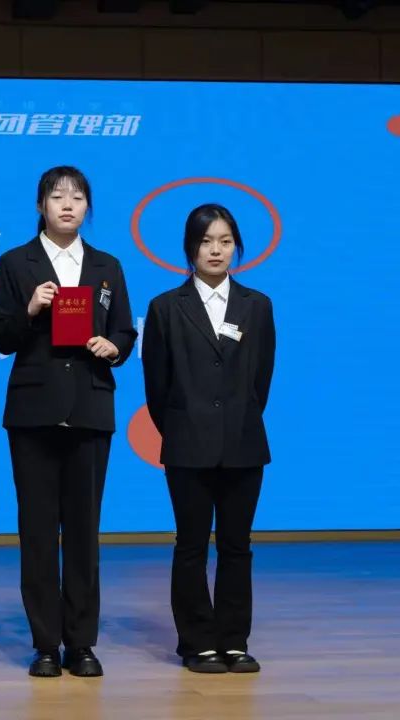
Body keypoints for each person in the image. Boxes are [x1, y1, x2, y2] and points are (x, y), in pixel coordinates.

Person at [0, 165, 136, 678]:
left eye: (77, 197)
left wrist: (114, 346)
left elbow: (125, 330)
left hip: (90, 407)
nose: (68, 205)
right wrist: (30, 308)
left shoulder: (106, 265)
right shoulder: (16, 262)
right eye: (57, 197)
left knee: (83, 532)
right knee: (36, 531)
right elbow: (0, 336)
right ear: (41, 206)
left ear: (87, 207)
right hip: (34, 411)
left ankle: (81, 642)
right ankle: (45, 644)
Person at [141, 203, 275, 674]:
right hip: (187, 444)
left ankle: (234, 640)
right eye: (205, 241)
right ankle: (197, 642)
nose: (215, 250)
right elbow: (157, 387)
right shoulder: (165, 308)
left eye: (225, 241)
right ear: (189, 248)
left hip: (243, 443)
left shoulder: (257, 305)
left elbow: (261, 379)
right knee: (191, 546)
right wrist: (186, 427)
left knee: (237, 545)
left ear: (236, 246)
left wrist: (235, 420)